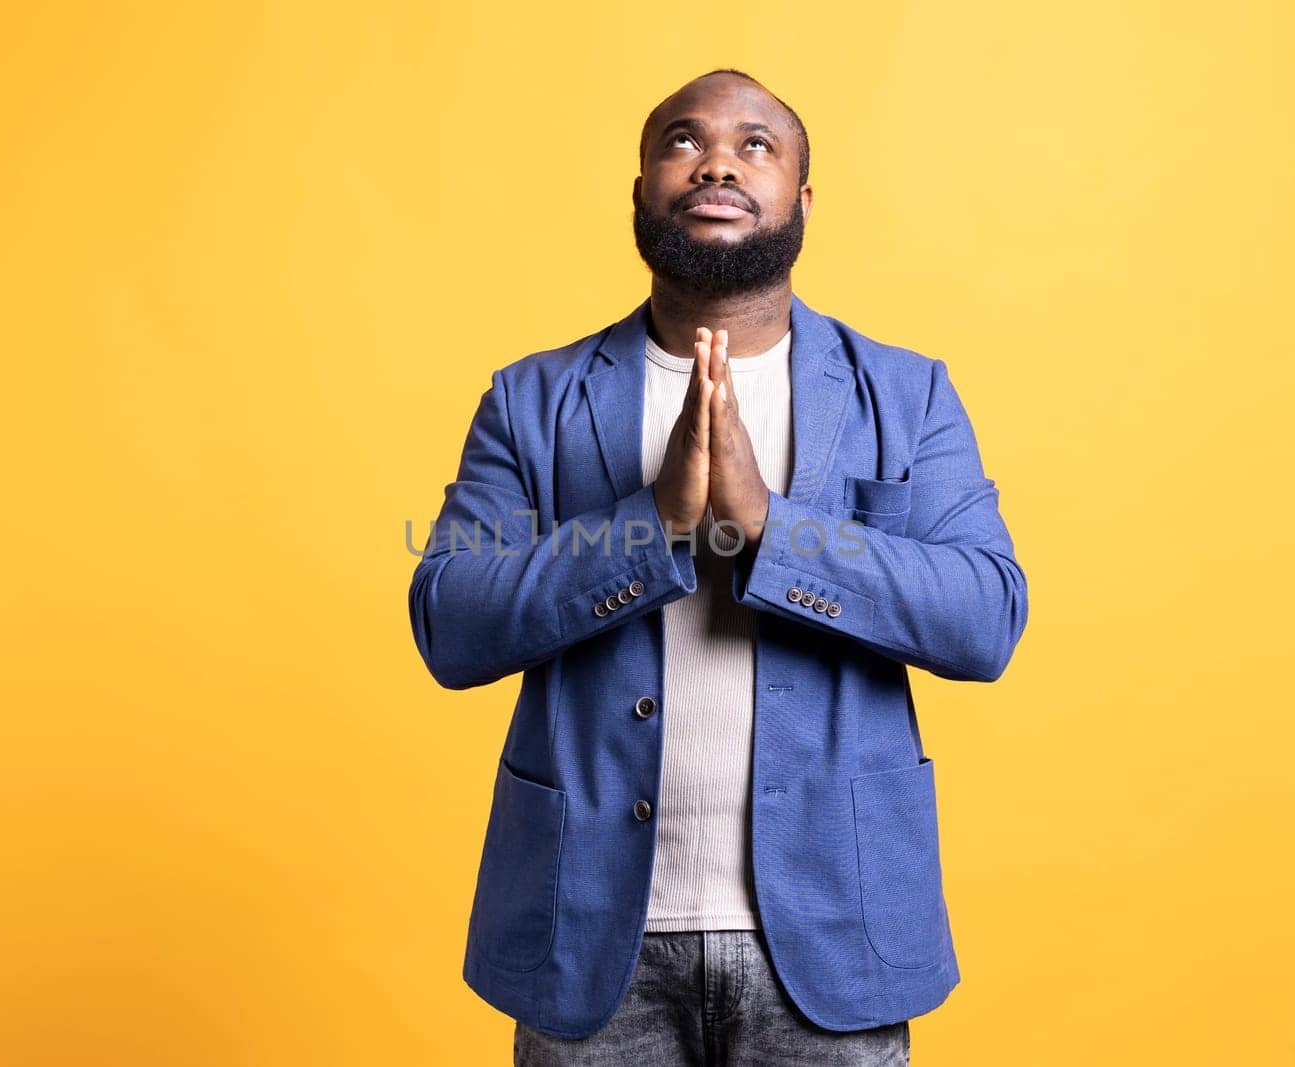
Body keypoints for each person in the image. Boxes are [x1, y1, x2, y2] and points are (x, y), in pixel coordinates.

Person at [408, 67, 1029, 1065]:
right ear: (643, 192)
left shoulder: (906, 395)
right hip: (589, 938)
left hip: (834, 933)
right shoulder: (531, 399)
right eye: (682, 141)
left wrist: (771, 529)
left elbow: (984, 617)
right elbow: (450, 618)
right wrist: (650, 522)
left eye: (756, 146)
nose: (717, 164)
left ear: (801, 200)